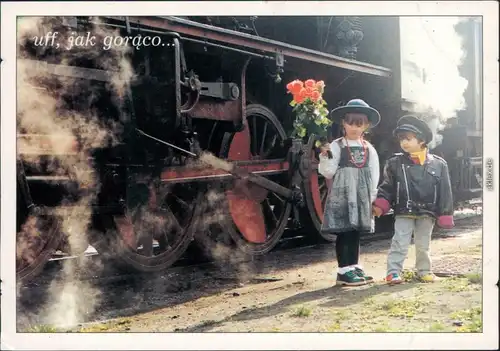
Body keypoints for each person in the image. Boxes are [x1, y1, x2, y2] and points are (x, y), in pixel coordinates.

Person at [372, 115, 455, 284]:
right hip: (404, 210)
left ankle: (424, 270)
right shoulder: (394, 163)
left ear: (422, 140)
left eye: (408, 138)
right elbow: (387, 186)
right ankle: (393, 272)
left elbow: (445, 191)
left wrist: (445, 213)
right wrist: (381, 203)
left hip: (427, 212)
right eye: (401, 139)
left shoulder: (440, 165)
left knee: (423, 244)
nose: (404, 143)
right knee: (399, 241)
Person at [318, 99, 381, 286]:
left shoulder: (369, 148)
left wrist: (372, 197)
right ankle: (343, 270)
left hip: (360, 195)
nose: (354, 127)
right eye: (350, 123)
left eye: (359, 123)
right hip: (343, 194)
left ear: (366, 125)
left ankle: (353, 266)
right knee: (344, 231)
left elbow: (374, 172)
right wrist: (324, 156)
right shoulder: (336, 146)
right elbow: (328, 171)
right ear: (343, 123)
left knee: (355, 231)